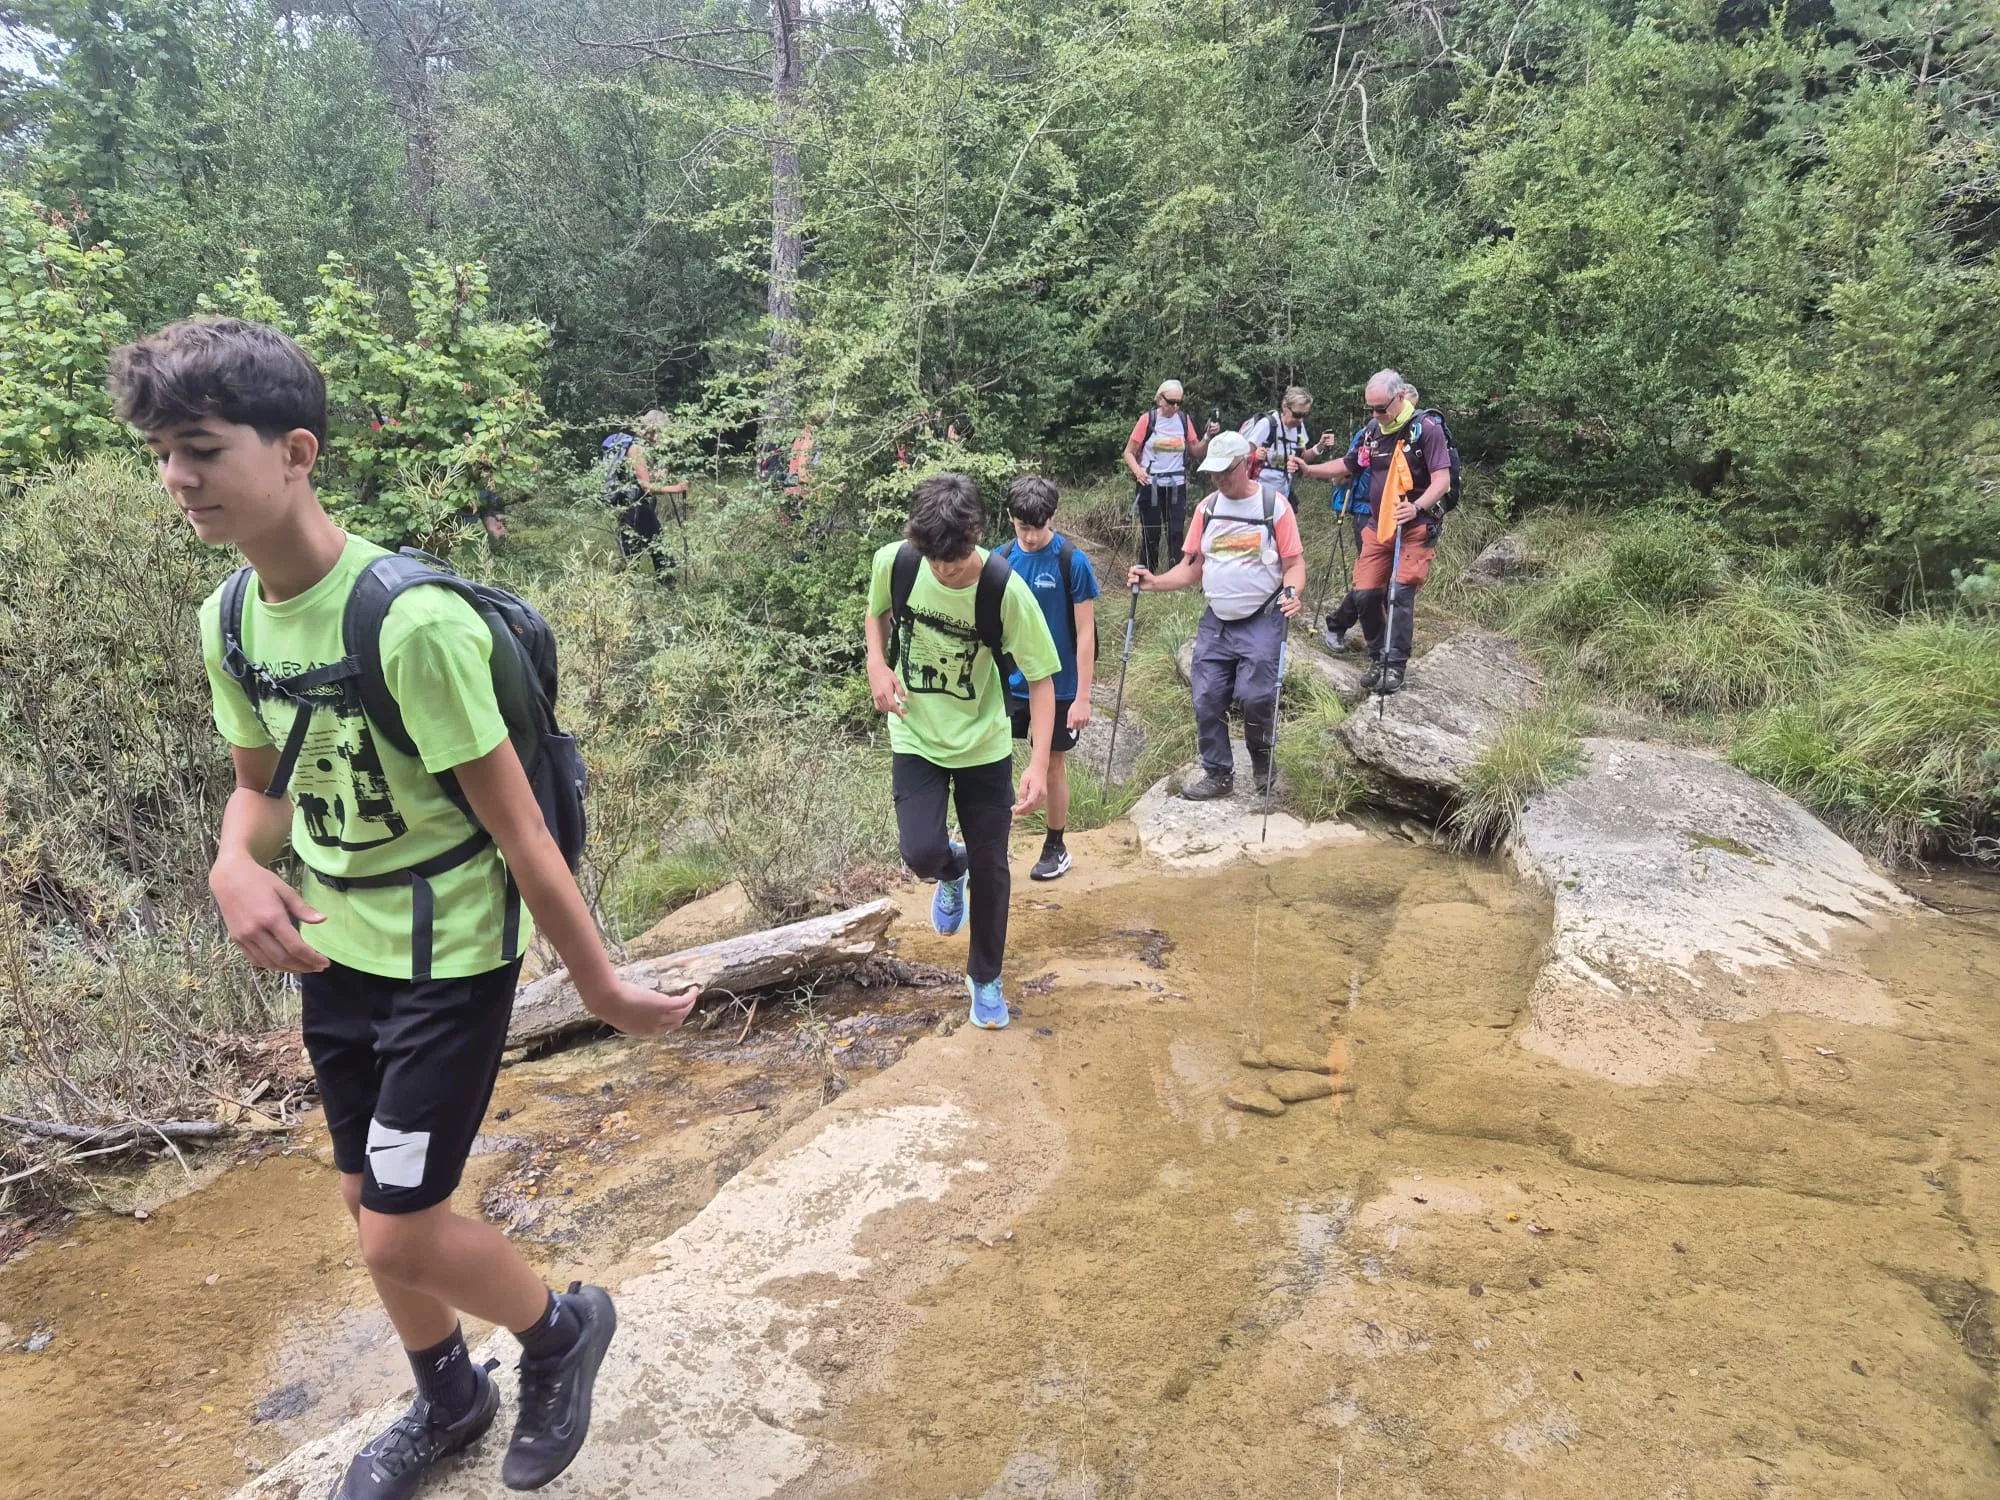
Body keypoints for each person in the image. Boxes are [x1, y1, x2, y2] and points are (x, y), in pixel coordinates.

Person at [110, 317, 699, 1500]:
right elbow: (260, 793)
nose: (177, 477)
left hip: (448, 954)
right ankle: (448, 1396)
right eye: (161, 451)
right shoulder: (230, 620)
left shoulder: (410, 621)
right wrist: (233, 863)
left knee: (398, 1225)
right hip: (338, 950)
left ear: (295, 451)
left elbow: (520, 829)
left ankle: (558, 1331)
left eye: (201, 447)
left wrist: (596, 983)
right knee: (359, 1195)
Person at [864, 473, 1060, 1028]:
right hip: (916, 734)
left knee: (995, 871)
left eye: (954, 560)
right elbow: (876, 615)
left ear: (977, 536)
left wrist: (1039, 765)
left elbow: (1043, 680)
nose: (945, 571)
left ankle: (986, 980)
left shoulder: (1005, 590)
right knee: (921, 852)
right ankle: (953, 870)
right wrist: (878, 665)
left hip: (983, 744)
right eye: (935, 561)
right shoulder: (898, 563)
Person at [1128, 430, 1306, 800]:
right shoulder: (1207, 508)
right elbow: (1191, 568)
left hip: (1262, 617)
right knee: (1206, 695)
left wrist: (1293, 592)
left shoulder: (1274, 507)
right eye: (1213, 473)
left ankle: (1261, 761)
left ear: (1247, 464)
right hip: (1217, 619)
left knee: (1256, 695)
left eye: (1225, 471)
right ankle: (1218, 773)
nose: (1219, 479)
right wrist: (1153, 582)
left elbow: (1294, 564)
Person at [1290, 369, 1452, 694]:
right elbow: (1349, 465)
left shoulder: (1426, 430)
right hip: (1379, 528)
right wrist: (1310, 470)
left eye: (1381, 408)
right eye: (1371, 409)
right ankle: (1378, 656)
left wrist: (1417, 507)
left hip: (1416, 527)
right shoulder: (1372, 431)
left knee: (1399, 594)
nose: (1377, 415)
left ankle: (1395, 665)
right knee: (1365, 594)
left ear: (1400, 398)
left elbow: (1442, 481)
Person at [995, 475, 1101, 881]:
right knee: (993, 762)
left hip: (1058, 685)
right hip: (1010, 683)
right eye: (1024, 527)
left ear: (1051, 518)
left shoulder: (1070, 561)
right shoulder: (1001, 559)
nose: (1032, 536)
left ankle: (1055, 845)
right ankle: (993, 841)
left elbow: (1086, 632)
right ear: (1011, 519)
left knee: (1052, 763)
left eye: (1038, 527)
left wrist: (1083, 697)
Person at [1123, 380, 1219, 575]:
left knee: (1176, 531)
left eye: (1179, 402)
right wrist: (1138, 472)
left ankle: (1176, 575)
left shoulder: (1183, 420)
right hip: (1150, 484)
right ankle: (1148, 573)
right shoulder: (1147, 420)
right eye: (1172, 402)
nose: (1176, 406)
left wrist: (1208, 436)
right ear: (1160, 399)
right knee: (1152, 532)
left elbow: (1196, 451)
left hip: (1176, 484)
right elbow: (1129, 452)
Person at [599, 429, 673, 582]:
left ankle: (667, 586)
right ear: (653, 431)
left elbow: (645, 479)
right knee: (637, 553)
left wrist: (660, 476)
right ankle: (619, 592)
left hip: (638, 508)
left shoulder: (643, 449)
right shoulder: (636, 449)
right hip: (634, 508)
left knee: (654, 549)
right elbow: (647, 487)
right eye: (664, 432)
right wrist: (677, 488)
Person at [1240, 385, 1327, 501]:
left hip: (1283, 496)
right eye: (1297, 415)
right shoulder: (1267, 424)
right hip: (1258, 495)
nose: (1300, 420)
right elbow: (1242, 456)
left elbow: (1303, 457)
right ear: (1285, 407)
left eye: (1304, 415)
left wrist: (1319, 446)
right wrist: (1255, 456)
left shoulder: (1299, 429)